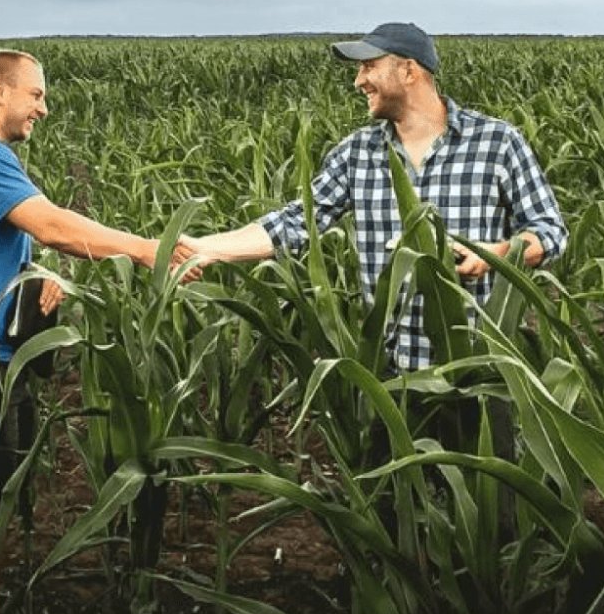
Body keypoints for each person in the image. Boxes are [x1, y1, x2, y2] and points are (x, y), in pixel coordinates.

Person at [0, 47, 189, 614]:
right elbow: (50, 224)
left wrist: (41, 278)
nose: (44, 107)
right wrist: (147, 250)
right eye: (36, 94)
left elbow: (5, 240)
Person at [183, 21, 567, 376]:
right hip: (392, 377)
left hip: (480, 369)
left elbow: (549, 231)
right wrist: (205, 249)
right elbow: (295, 223)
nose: (358, 81)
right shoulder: (357, 152)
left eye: (368, 67)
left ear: (409, 71)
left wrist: (498, 253)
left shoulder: (496, 142)